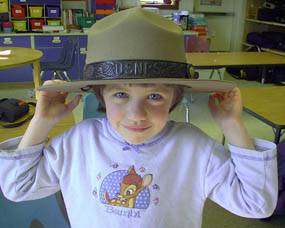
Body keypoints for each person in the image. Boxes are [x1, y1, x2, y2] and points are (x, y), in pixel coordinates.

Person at [0, 7, 278, 228]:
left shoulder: (194, 147)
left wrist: (232, 125)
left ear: (175, 98)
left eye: (155, 96)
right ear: (100, 96)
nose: (136, 114)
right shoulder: (78, 142)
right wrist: (41, 123)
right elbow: (18, 187)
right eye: (120, 95)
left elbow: (256, 203)